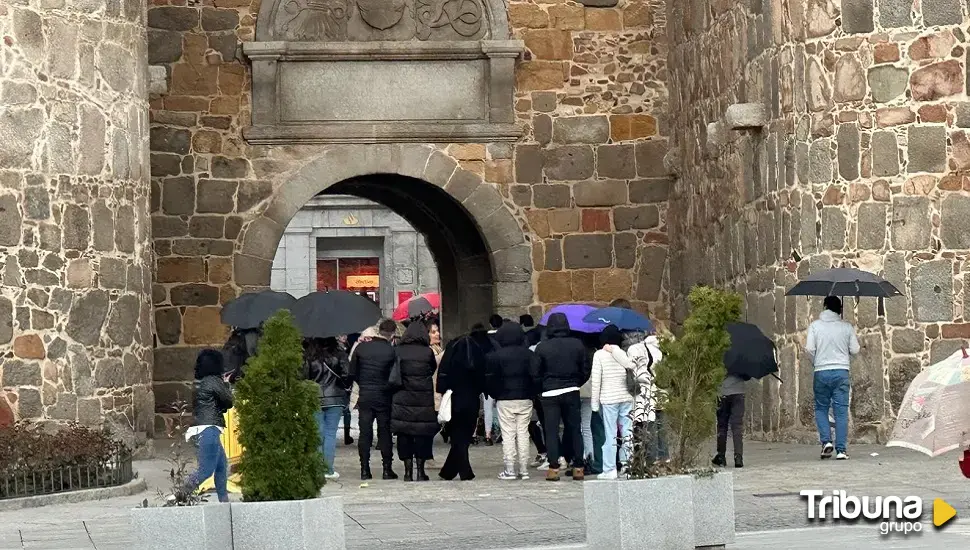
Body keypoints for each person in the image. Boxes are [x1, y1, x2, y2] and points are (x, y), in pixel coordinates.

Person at [531, 312, 591, 481]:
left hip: (550, 392)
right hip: (571, 389)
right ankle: (578, 466)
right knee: (574, 429)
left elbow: (535, 372)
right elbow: (585, 368)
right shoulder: (577, 345)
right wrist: (576, 382)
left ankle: (554, 467)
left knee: (551, 431)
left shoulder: (542, 347)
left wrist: (542, 388)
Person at [806, 296, 860, 460]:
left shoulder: (815, 326)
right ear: (840, 309)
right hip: (841, 371)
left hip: (821, 372)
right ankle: (841, 450)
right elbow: (855, 349)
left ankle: (826, 442)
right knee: (841, 411)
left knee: (821, 408)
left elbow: (809, 348)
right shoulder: (847, 327)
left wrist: (816, 362)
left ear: (824, 307)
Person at [437, 323, 493, 480]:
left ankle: (450, 471)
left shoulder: (452, 353)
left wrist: (443, 391)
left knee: (458, 436)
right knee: (464, 436)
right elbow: (483, 378)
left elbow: (443, 376)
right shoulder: (477, 355)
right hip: (471, 399)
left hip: (456, 398)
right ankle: (462, 471)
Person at [178, 350, 233, 503]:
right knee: (206, 470)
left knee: (221, 467)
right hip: (209, 429)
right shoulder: (212, 381)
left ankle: (224, 501)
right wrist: (226, 383)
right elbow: (229, 401)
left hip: (202, 428)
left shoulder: (199, 382)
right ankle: (180, 494)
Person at [348, 319, 400, 480]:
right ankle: (387, 469)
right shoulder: (392, 351)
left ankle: (365, 469)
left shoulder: (362, 348)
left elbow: (352, 372)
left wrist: (363, 383)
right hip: (384, 395)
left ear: (378, 331)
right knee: (384, 432)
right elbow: (395, 376)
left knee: (365, 433)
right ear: (392, 334)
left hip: (365, 394)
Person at [485, 321, 536, 480]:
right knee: (523, 433)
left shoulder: (495, 356)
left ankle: (509, 468)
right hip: (525, 397)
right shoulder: (529, 355)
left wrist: (495, 394)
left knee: (508, 434)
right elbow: (535, 376)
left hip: (505, 398)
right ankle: (523, 469)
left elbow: (491, 379)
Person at [390, 322, 439, 482]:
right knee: (422, 434)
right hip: (423, 399)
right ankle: (421, 471)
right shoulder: (427, 352)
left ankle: (407, 472)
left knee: (404, 434)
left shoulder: (398, 350)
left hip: (402, 397)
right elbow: (432, 369)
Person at [590, 326, 635, 479]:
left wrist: (594, 404)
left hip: (609, 399)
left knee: (610, 434)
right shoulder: (622, 353)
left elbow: (596, 381)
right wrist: (615, 351)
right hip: (626, 398)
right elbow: (630, 365)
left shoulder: (599, 355)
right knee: (627, 432)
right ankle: (627, 466)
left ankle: (609, 469)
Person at [305, 338, 350, 480]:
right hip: (335, 397)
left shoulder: (308, 355)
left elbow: (304, 377)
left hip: (314, 397)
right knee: (330, 434)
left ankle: (317, 469)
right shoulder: (339, 353)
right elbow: (347, 374)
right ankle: (328, 469)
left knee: (318, 434)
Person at [713, 373, 746, 468]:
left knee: (722, 426)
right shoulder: (742, 358)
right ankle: (738, 457)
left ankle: (721, 456)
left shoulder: (720, 358)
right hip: (739, 392)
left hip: (722, 392)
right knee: (737, 426)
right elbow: (746, 375)